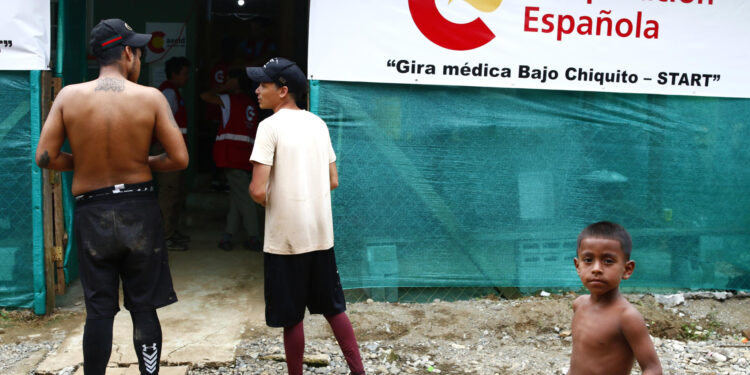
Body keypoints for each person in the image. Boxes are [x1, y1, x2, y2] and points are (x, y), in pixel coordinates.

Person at [35, 18, 188, 375]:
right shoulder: (149, 97)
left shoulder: (69, 96)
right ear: (127, 53)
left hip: (93, 211)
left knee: (99, 309)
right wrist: (142, 160)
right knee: (143, 305)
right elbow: (180, 158)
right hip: (139, 209)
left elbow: (45, 157)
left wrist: (84, 162)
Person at [247, 57, 365, 375]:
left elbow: (258, 190)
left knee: (291, 317)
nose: (257, 90)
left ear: (283, 91)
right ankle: (358, 371)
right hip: (320, 233)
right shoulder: (318, 123)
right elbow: (333, 180)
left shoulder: (268, 127)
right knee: (333, 308)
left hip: (286, 238)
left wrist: (278, 199)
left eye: (264, 85)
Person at [569, 221, 662, 375]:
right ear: (577, 266)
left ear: (627, 269)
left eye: (608, 261)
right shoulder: (579, 305)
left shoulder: (627, 317)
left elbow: (653, 368)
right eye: (588, 260)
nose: (597, 269)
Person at [199, 69, 262, 251]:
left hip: (232, 155)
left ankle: (253, 237)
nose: (227, 79)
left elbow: (205, 96)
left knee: (245, 198)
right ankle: (228, 235)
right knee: (238, 196)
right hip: (246, 155)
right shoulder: (251, 103)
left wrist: (224, 87)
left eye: (231, 78)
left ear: (237, 82)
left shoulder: (229, 99)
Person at [156, 56, 191, 251]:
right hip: (167, 151)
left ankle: (171, 231)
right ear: (174, 74)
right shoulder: (168, 92)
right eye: (184, 74)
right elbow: (164, 126)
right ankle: (165, 236)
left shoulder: (175, 92)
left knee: (176, 192)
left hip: (175, 152)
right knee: (169, 193)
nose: (187, 78)